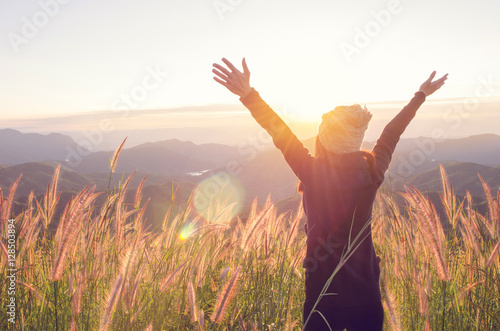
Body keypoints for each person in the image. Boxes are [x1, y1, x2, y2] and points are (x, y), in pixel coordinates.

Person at [212, 57, 448, 331]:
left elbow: (280, 133)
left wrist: (249, 95)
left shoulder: (312, 173)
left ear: (323, 139)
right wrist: (420, 95)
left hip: (322, 296)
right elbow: (391, 134)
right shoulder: (372, 172)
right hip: (366, 294)